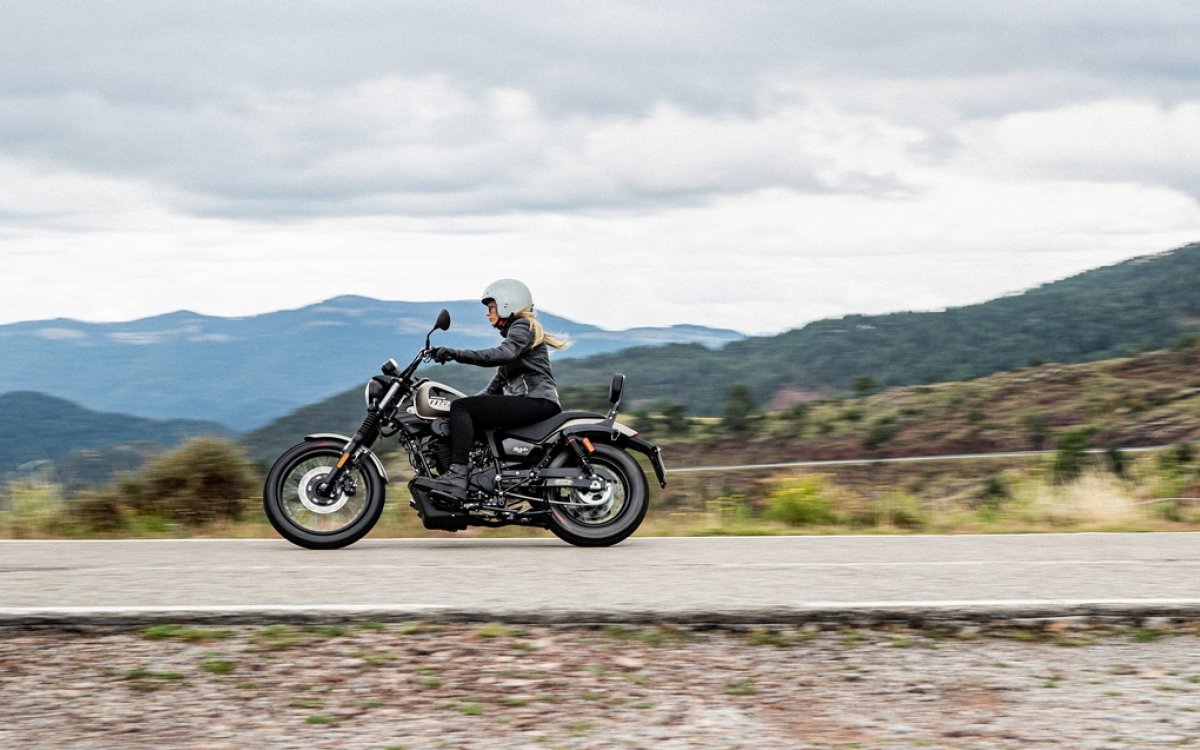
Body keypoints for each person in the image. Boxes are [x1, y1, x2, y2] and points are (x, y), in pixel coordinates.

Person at [418, 278, 569, 501]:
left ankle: (457, 477)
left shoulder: (522, 327)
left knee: (462, 407)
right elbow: (492, 390)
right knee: (463, 409)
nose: (487, 313)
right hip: (532, 401)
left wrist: (455, 354)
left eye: (491, 307)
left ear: (507, 303)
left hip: (536, 400)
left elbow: (501, 354)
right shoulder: (517, 339)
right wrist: (456, 415)